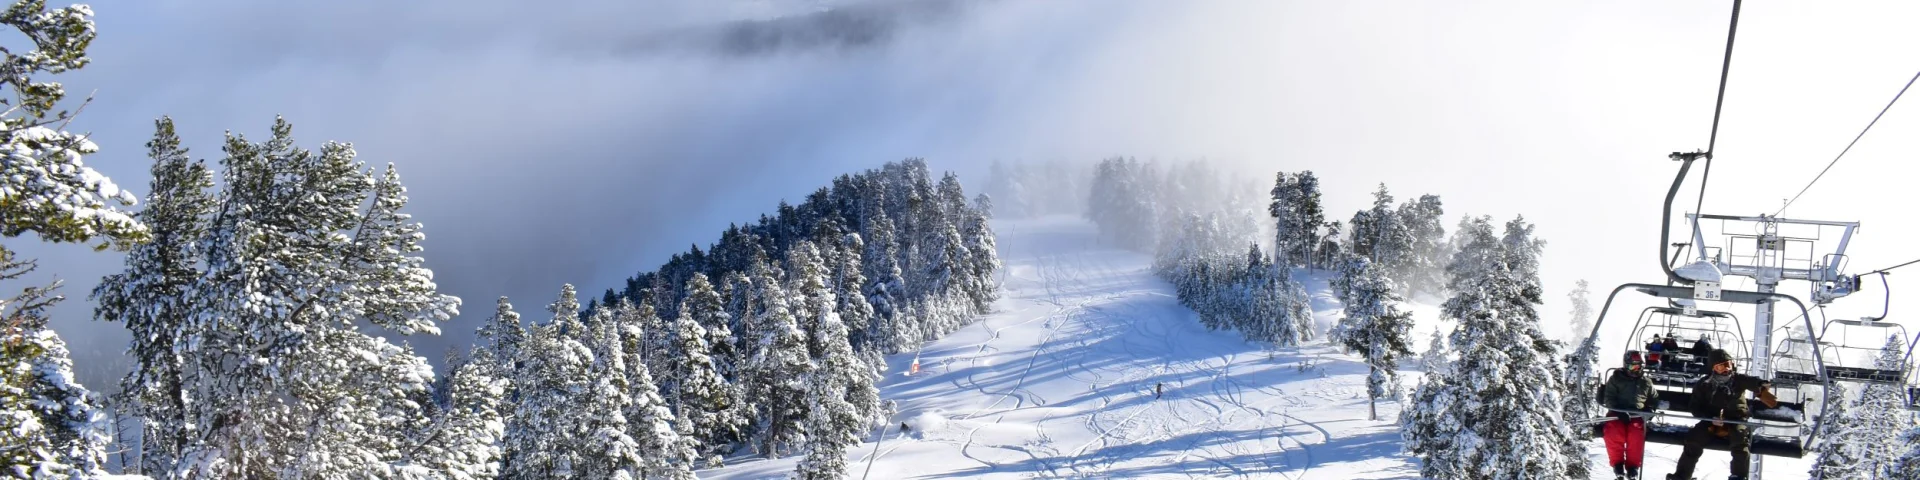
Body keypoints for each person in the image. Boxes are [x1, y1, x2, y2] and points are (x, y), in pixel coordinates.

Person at [1667, 349, 1779, 480]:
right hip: (1711, 420)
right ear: (1713, 368)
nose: (1726, 369)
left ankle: (1738, 476)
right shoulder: (1704, 384)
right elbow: (1695, 406)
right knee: (1693, 440)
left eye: (1728, 365)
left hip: (1735, 420)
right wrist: (1709, 418)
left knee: (1740, 442)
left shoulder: (1737, 380)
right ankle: (1682, 476)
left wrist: (1760, 384)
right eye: (1721, 367)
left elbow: (1750, 381)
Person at [1598, 351, 1658, 480]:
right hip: (1617, 414)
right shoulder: (1616, 379)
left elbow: (1654, 399)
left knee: (1636, 435)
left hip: (1637, 416)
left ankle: (1632, 467)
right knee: (1613, 432)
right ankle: (1617, 464)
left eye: (1638, 366)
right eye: (1632, 366)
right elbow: (1609, 398)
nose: (1636, 370)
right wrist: (1619, 411)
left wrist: (1650, 410)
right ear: (1626, 366)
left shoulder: (1645, 382)